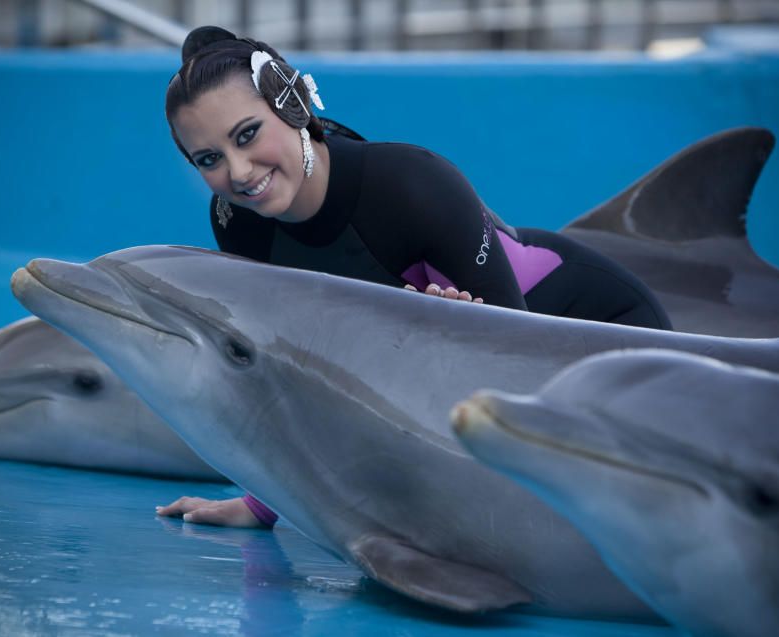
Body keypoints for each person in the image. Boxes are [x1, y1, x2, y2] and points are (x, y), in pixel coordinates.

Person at [156, 26, 673, 529]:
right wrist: (263, 503)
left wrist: (457, 343)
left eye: (248, 135)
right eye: (210, 159)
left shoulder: (411, 186)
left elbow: (516, 357)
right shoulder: (238, 223)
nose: (240, 172)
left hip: (605, 338)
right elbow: (288, 374)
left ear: (293, 105)